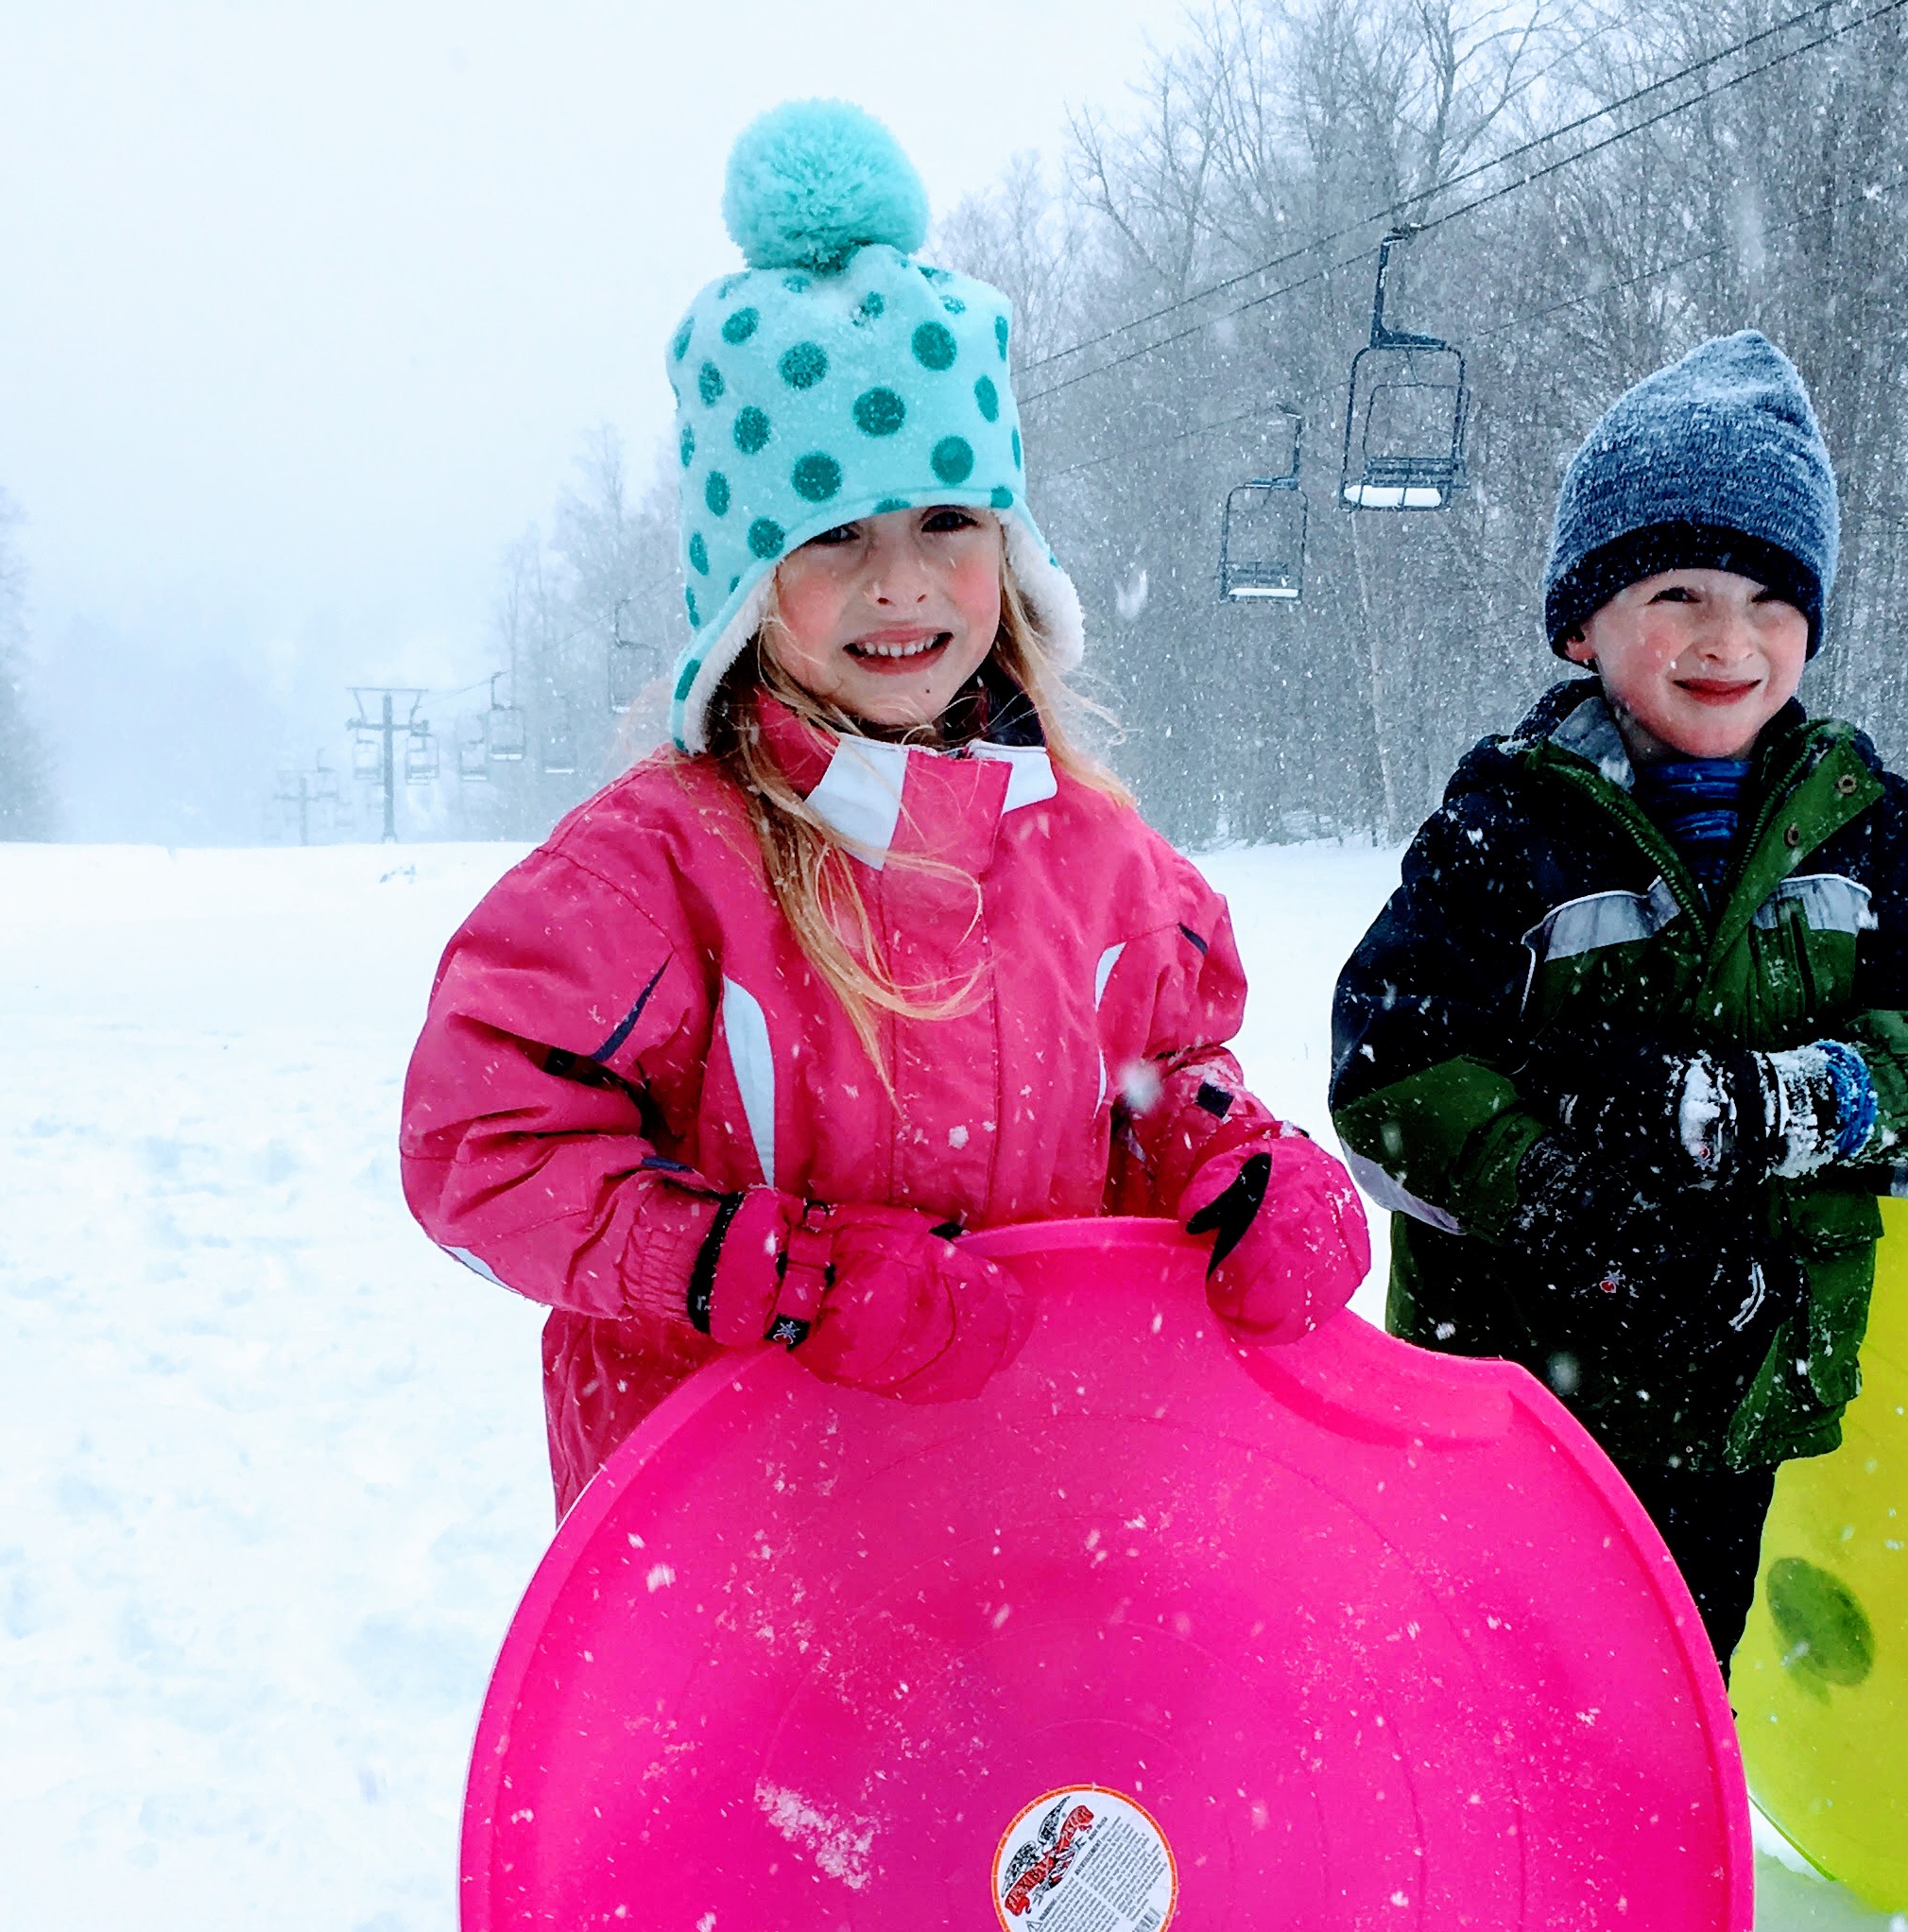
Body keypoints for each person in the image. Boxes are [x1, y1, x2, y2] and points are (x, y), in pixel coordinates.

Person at [404, 102, 1365, 1513]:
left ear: (1011, 551)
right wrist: (758, 1271)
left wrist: (1238, 1157)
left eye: (946, 524)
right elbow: (479, 1150)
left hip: (1040, 1494)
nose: (902, 583)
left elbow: (1170, 1070)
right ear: (744, 586)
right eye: (835, 534)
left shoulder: (1095, 857)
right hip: (737, 1536)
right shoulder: (660, 867)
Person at [1329, 333, 1908, 1669]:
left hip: (1746, 1369)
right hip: (1523, 1384)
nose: (1728, 639)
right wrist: (1560, 1195)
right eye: (1682, 592)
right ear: (1587, 622)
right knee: (1504, 1670)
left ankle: (1660, 1858)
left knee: (1682, 1673)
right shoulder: (1512, 823)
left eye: (1770, 599)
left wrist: (1801, 1104)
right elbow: (1391, 1067)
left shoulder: (1858, 823)